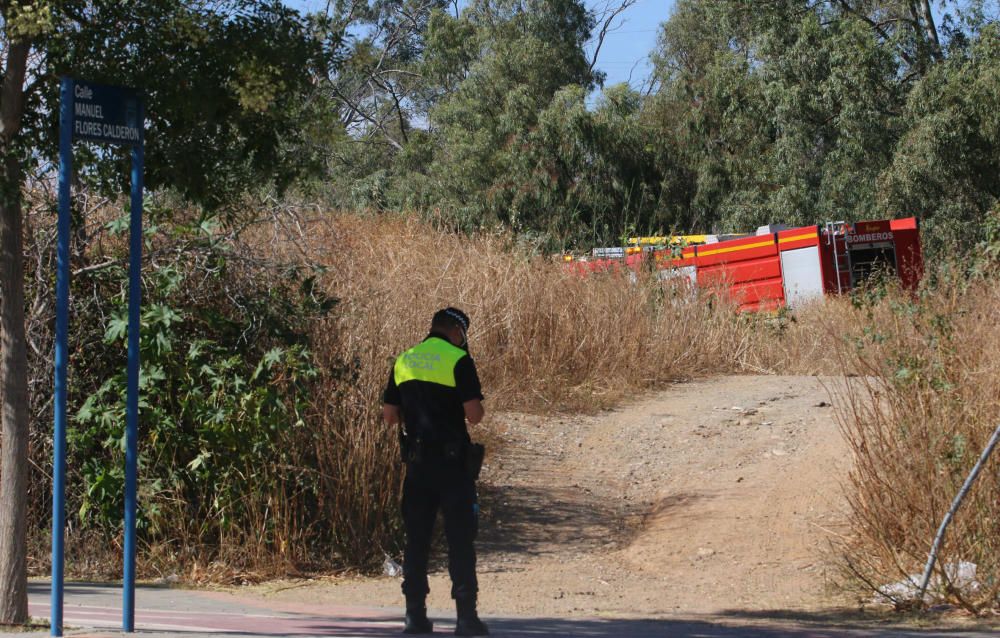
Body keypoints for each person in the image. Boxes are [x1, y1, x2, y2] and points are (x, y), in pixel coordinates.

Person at [383, 307, 489, 636]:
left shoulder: (404, 360)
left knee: (416, 541)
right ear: (457, 332)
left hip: (417, 467)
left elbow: (389, 416)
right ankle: (466, 619)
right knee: (460, 540)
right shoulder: (458, 360)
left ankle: (414, 616)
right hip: (453, 467)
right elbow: (475, 416)